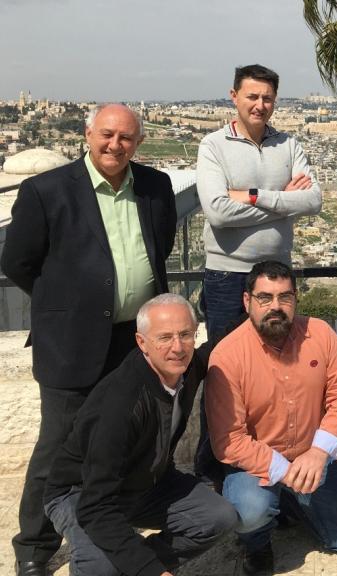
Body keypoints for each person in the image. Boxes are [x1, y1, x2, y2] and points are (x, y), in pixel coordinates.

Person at [1, 103, 177, 576]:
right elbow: (17, 261)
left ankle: (110, 519)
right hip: (71, 342)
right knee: (58, 444)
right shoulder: (47, 190)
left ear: (138, 141)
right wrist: (62, 304)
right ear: (87, 134)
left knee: (125, 433)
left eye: (125, 137)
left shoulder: (156, 187)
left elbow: (159, 249)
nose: (115, 145)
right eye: (106, 134)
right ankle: (35, 548)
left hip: (131, 341)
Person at [43, 294, 236, 576]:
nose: (177, 347)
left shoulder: (187, 367)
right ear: (141, 342)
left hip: (148, 482)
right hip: (81, 492)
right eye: (164, 337)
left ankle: (137, 564)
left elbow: (217, 345)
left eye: (185, 334)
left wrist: (260, 310)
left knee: (219, 517)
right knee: (102, 565)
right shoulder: (121, 404)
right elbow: (95, 507)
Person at [195, 64, 323, 484]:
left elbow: (313, 200)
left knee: (275, 370)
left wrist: (250, 196)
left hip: (277, 278)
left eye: (267, 98)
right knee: (224, 374)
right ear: (234, 96)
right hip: (228, 277)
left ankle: (269, 468)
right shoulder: (213, 145)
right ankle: (217, 471)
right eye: (252, 96)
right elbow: (216, 210)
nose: (260, 104)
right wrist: (279, 200)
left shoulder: (288, 145)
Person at [206, 261, 337, 575]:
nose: (275, 307)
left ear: (296, 299)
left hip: (312, 455)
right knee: (251, 510)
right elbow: (229, 439)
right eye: (265, 298)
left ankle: (289, 502)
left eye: (285, 297)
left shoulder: (319, 333)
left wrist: (318, 453)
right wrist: (283, 470)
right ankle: (257, 544)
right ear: (247, 301)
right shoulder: (227, 356)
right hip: (257, 465)